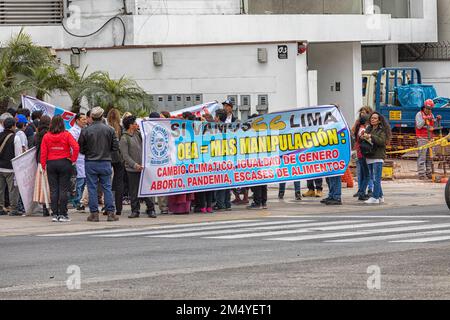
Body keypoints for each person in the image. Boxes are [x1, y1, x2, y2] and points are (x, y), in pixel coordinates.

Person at [78, 106, 119, 222]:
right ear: (102, 116)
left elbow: (80, 147)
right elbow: (115, 146)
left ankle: (94, 214)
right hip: (105, 161)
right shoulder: (109, 130)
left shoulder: (85, 130)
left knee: (92, 188)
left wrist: (88, 152)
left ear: (91, 117)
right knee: (107, 187)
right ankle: (111, 212)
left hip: (91, 162)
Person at [40, 115, 79, 222]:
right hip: (65, 162)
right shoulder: (66, 135)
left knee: (53, 190)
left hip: (51, 164)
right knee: (63, 189)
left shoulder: (46, 136)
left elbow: (43, 152)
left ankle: (55, 214)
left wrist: (43, 165)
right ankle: (63, 214)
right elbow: (76, 147)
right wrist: (73, 159)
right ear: (62, 123)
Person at [120, 115, 157, 218]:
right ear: (130, 126)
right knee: (134, 190)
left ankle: (151, 209)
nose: (137, 125)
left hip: (144, 168)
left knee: (147, 189)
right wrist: (134, 165)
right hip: (132, 169)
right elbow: (125, 155)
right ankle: (135, 210)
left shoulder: (139, 135)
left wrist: (147, 124)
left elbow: (149, 136)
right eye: (135, 123)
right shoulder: (124, 138)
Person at [362, 112, 391, 204]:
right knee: (373, 177)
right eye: (371, 118)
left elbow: (382, 141)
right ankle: (380, 196)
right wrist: (364, 137)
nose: (372, 119)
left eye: (375, 118)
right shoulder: (369, 128)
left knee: (376, 178)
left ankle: (375, 197)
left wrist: (371, 136)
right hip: (369, 155)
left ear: (379, 120)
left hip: (378, 156)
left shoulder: (381, 130)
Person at [0, 118, 23, 216]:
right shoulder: (16, 138)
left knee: (0, 189)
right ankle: (14, 209)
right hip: (11, 168)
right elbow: (18, 155)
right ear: (13, 126)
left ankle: (1, 208)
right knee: (13, 189)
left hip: (0, 167)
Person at [415, 99, 441, 180]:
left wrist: (437, 120)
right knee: (422, 157)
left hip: (430, 138)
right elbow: (419, 126)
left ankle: (429, 173)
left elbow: (434, 127)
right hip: (422, 138)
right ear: (424, 107)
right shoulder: (419, 114)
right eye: (426, 108)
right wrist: (425, 119)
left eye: (430, 109)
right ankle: (421, 174)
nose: (428, 110)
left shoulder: (432, 115)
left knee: (429, 157)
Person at [107, 108, 125, 216]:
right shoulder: (121, 128)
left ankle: (108, 206)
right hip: (119, 157)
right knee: (119, 183)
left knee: (106, 182)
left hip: (107, 157)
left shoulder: (106, 128)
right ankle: (119, 208)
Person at [213, 109, 232, 211]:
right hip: (228, 158)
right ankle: (227, 203)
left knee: (220, 181)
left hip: (219, 157)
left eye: (215, 116)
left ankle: (220, 204)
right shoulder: (229, 127)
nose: (214, 118)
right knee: (227, 181)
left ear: (218, 117)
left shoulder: (216, 128)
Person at [68, 113, 88, 211]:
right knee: (80, 182)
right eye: (83, 119)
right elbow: (73, 146)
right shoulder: (73, 131)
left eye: (85, 119)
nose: (85, 121)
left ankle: (81, 201)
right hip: (78, 159)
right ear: (77, 120)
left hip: (85, 158)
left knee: (84, 181)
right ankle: (77, 201)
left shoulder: (85, 130)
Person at [33, 115, 51, 216]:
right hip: (49, 160)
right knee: (50, 184)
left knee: (42, 185)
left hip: (40, 161)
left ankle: (44, 207)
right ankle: (51, 206)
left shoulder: (37, 135)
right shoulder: (49, 134)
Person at [353, 113, 371, 201]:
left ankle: (361, 191)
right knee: (367, 175)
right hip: (363, 154)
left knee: (364, 174)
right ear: (366, 122)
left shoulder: (359, 129)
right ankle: (362, 192)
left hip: (360, 154)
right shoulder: (363, 130)